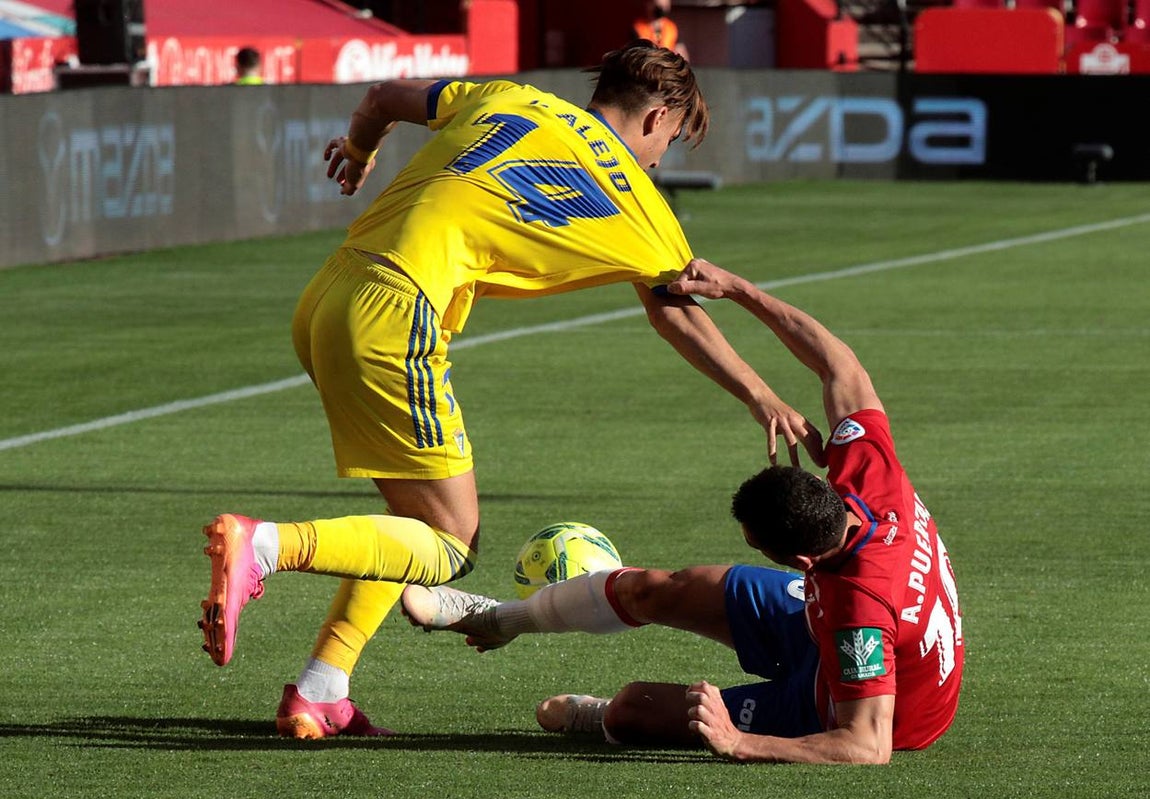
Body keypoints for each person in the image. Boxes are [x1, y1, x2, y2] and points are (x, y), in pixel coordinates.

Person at [197, 42, 823, 739]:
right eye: (669, 142)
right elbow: (673, 307)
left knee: (407, 527)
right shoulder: (642, 204)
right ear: (655, 117)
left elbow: (381, 98)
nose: (659, 159)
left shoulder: (509, 97)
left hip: (327, 295)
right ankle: (266, 546)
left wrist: (358, 149)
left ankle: (322, 688)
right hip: (397, 314)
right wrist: (759, 393)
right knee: (447, 543)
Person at [401, 259, 965, 764]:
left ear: (798, 558)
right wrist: (739, 289)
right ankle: (501, 619)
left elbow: (867, 744)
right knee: (657, 588)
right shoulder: (870, 478)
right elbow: (840, 367)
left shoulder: (859, 610)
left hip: (859, 702)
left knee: (634, 709)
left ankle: (600, 713)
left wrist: (737, 742)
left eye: (756, 544)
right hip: (833, 630)